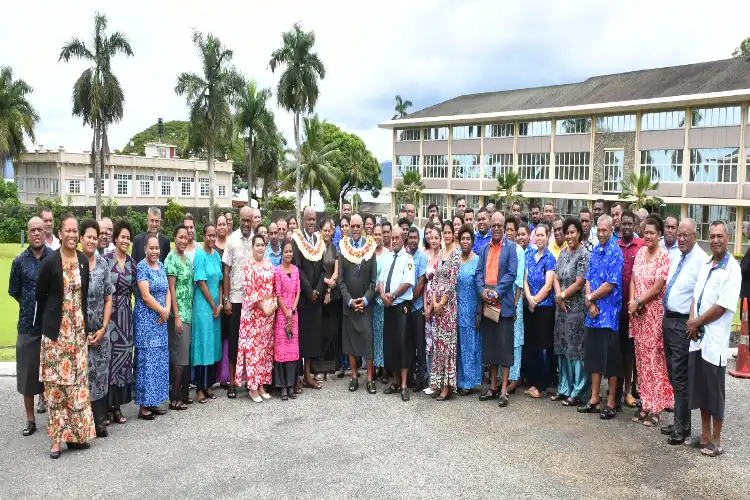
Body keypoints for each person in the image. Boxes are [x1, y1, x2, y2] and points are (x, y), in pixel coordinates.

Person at [35, 214, 95, 458]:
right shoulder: (50, 261)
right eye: (67, 231)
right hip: (56, 334)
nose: (72, 234)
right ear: (60, 234)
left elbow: (84, 294)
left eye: (75, 231)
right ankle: (56, 441)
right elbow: (40, 294)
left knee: (77, 386)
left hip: (77, 333)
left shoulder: (82, 259)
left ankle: (75, 436)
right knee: (56, 388)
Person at [686, 221, 740, 457]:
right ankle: (705, 436)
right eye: (712, 236)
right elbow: (695, 297)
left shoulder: (732, 269)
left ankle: (716, 440)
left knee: (714, 391)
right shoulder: (707, 264)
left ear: (727, 237)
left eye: (720, 235)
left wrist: (695, 323)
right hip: (697, 338)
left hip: (714, 342)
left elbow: (721, 307)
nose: (716, 240)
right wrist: (692, 323)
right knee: (700, 388)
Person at [661, 218, 706, 445]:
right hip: (668, 320)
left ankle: (683, 428)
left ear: (694, 236)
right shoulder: (676, 255)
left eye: (685, 235)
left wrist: (693, 321)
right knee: (672, 373)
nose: (680, 238)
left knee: (680, 376)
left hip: (682, 324)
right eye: (679, 234)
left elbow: (700, 295)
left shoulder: (700, 260)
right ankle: (680, 420)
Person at [627, 214, 673, 427]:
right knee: (641, 360)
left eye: (653, 233)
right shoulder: (639, 254)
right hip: (637, 316)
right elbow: (634, 280)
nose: (648, 236)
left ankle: (657, 408)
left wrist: (638, 302)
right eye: (646, 233)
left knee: (655, 361)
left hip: (653, 315)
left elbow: (657, 287)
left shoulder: (663, 256)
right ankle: (645, 403)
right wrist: (632, 303)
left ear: (659, 234)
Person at [578, 215, 624, 420]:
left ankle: (612, 401)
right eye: (600, 230)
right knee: (594, 358)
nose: (602, 233)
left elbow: (610, 284)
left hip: (609, 316)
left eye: (605, 230)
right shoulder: (595, 250)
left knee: (611, 361)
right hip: (593, 314)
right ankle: (595, 398)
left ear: (612, 231)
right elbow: (588, 277)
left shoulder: (616, 252)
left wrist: (591, 298)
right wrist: (589, 302)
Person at [9, 216, 50, 436]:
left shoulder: (54, 258)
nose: (36, 233)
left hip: (50, 327)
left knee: (52, 375)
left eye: (40, 229)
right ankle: (30, 419)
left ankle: (54, 415)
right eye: (32, 230)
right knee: (27, 376)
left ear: (45, 232)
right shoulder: (19, 262)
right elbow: (14, 291)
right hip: (27, 326)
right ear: (29, 232)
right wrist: (28, 304)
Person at [475, 212, 518, 408]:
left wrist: (496, 293)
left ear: (504, 226)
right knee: (491, 348)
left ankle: (503, 391)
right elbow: (478, 274)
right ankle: (493, 388)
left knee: (505, 348)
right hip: (487, 304)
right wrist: (483, 292)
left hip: (504, 305)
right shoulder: (484, 249)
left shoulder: (511, 248)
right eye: (494, 225)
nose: (497, 228)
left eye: (500, 225)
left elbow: (511, 274)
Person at [80, 220, 114, 438]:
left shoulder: (102, 264)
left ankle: (99, 421)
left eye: (95, 237)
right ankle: (83, 422)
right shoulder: (74, 263)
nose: (92, 240)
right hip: (78, 332)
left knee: (100, 375)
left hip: (101, 331)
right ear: (81, 238)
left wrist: (103, 328)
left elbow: (109, 298)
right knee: (82, 376)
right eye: (89, 237)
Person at [338, 214, 378, 393]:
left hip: (366, 306)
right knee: (351, 344)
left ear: (362, 227)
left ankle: (370, 379)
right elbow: (340, 280)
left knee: (368, 342)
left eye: (357, 226)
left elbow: (373, 280)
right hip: (349, 306)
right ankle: (354, 377)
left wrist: (366, 300)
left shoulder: (370, 248)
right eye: (352, 226)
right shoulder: (343, 248)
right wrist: (350, 301)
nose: (354, 229)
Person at [552, 217, 590, 407]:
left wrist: (564, 295)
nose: (569, 236)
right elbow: (556, 276)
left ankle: (578, 390)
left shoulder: (583, 253)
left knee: (576, 349)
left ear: (579, 233)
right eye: (567, 232)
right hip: (562, 309)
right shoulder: (563, 253)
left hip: (575, 308)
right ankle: (564, 387)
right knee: (562, 348)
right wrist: (559, 295)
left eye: (573, 232)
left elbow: (580, 281)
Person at [134, 234, 171, 421]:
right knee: (147, 363)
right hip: (147, 321)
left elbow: (167, 291)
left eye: (157, 248)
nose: (155, 251)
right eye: (151, 248)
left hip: (161, 321)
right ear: (145, 249)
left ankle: (154, 400)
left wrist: (167, 310)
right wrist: (162, 311)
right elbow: (146, 296)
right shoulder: (142, 267)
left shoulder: (162, 266)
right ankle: (143, 406)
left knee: (158, 362)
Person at [237, 234, 277, 402]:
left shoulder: (269, 264)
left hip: (268, 315)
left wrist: (273, 305)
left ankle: (261, 385)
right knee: (254, 351)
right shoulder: (248, 267)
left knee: (265, 350)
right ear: (252, 247)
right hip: (254, 315)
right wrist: (263, 307)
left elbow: (274, 287)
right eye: (257, 245)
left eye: (262, 245)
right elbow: (250, 291)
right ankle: (253, 387)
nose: (260, 247)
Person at [104, 221, 136, 424]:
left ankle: (117, 407)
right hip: (109, 315)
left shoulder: (132, 263)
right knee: (107, 360)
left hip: (125, 317)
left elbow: (138, 291)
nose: (125, 240)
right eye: (122, 237)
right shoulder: (105, 260)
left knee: (123, 362)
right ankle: (104, 408)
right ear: (115, 238)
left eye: (128, 237)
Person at [378, 226, 415, 402]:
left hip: (401, 307)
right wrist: (382, 294)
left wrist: (392, 295)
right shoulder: (387, 258)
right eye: (392, 238)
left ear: (403, 239)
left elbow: (408, 282)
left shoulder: (408, 259)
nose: (393, 241)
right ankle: (394, 382)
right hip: (388, 306)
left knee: (403, 345)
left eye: (397, 238)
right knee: (390, 345)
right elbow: (380, 281)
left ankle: (404, 385)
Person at [292, 207, 327, 390]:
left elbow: (323, 269)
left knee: (313, 338)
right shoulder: (297, 240)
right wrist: (309, 291)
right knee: (300, 339)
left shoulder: (319, 241)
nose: (312, 222)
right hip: (303, 298)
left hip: (316, 297)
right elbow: (297, 268)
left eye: (314, 219)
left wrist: (318, 290)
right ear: (303, 221)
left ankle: (308, 376)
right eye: (309, 219)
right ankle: (297, 377)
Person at [222, 206, 254, 399]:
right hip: (235, 299)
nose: (246, 224)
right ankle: (233, 382)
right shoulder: (232, 240)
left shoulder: (257, 240)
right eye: (243, 220)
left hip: (252, 301)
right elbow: (226, 271)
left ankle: (251, 380)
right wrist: (226, 299)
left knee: (251, 343)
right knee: (234, 341)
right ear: (239, 219)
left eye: (249, 220)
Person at [426, 220, 460, 401]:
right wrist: (433, 301)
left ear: (453, 234)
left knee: (447, 347)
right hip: (437, 305)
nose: (446, 236)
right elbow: (435, 280)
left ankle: (447, 386)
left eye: (448, 233)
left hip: (448, 308)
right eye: (444, 233)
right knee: (438, 345)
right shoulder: (440, 254)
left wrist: (441, 303)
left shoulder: (455, 255)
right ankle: (438, 383)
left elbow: (452, 283)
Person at [523, 223, 556, 399]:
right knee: (532, 347)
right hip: (531, 307)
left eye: (543, 235)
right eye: (537, 235)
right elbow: (525, 280)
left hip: (544, 308)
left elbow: (548, 285)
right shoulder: (530, 256)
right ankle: (532, 382)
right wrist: (529, 298)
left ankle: (541, 385)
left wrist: (535, 300)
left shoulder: (549, 258)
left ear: (547, 236)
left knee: (543, 348)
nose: (540, 238)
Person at [192, 223, 223, 403]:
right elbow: (202, 283)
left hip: (215, 308)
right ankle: (199, 388)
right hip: (204, 308)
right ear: (204, 236)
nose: (211, 238)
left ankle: (209, 385)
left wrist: (219, 303)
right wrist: (213, 305)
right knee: (202, 345)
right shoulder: (199, 255)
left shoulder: (216, 257)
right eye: (209, 235)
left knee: (212, 345)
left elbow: (219, 281)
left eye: (214, 236)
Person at [617, 210, 644, 409]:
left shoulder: (641, 246)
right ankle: (616, 390)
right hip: (615, 310)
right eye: (623, 223)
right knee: (617, 352)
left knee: (631, 354)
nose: (626, 227)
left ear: (635, 225)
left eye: (630, 224)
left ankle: (629, 390)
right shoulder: (614, 246)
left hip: (635, 310)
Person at [165, 225, 193, 411]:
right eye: (180, 237)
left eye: (186, 237)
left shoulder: (187, 259)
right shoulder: (171, 259)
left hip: (189, 313)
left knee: (185, 357)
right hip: (179, 313)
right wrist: (176, 316)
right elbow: (171, 289)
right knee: (179, 359)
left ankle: (183, 394)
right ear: (174, 238)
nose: (183, 240)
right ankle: (174, 399)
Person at [273, 240, 300, 400]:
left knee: (292, 351)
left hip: (294, 314)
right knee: (282, 350)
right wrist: (286, 312)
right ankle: (282, 386)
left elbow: (298, 292)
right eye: (286, 251)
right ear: (282, 253)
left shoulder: (296, 270)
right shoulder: (277, 271)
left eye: (290, 251)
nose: (288, 254)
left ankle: (291, 385)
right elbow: (278, 294)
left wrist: (293, 310)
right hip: (282, 316)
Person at [456, 224, 481, 396]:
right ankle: (458, 379)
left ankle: (469, 382)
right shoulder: (455, 259)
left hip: (471, 310)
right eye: (462, 238)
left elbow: (481, 288)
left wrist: (479, 312)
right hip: (456, 310)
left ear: (472, 241)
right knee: (458, 346)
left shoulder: (478, 261)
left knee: (470, 346)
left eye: (468, 239)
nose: (465, 241)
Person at [506, 218, 527, 394]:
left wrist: (515, 304)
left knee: (515, 339)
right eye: (508, 229)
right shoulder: (502, 248)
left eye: (512, 229)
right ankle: (503, 376)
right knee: (504, 338)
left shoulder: (519, 251)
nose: (509, 232)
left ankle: (514, 377)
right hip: (502, 300)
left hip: (515, 300)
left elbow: (519, 280)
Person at [406, 226, 427, 391]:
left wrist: (410, 300)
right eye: (410, 237)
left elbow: (421, 283)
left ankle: (421, 379)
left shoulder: (421, 258)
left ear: (418, 239)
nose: (413, 240)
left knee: (420, 345)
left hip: (417, 306)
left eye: (415, 237)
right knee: (408, 344)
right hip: (405, 307)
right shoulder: (404, 256)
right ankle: (411, 377)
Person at [320, 219, 341, 380]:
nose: (327, 233)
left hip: (332, 294)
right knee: (320, 332)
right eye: (325, 230)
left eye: (329, 230)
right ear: (321, 231)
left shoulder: (335, 249)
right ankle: (318, 368)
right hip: (318, 293)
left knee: (331, 331)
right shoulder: (315, 249)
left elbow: (336, 271)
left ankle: (329, 367)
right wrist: (326, 283)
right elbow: (316, 271)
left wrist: (329, 287)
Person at [423, 225, 442, 394]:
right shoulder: (426, 257)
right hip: (427, 306)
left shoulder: (442, 258)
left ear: (440, 239)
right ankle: (431, 381)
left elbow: (438, 284)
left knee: (437, 345)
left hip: (438, 307)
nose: (433, 240)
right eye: (431, 237)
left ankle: (438, 382)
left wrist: (430, 306)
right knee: (428, 345)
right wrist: (424, 305)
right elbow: (425, 284)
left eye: (436, 237)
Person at [372, 225, 391, 380]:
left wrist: (379, 290)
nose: (378, 237)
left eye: (380, 234)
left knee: (384, 334)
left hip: (382, 300)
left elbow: (386, 277)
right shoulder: (368, 254)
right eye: (375, 234)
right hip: (371, 301)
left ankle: (386, 368)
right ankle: (376, 365)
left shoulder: (388, 254)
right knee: (375, 335)